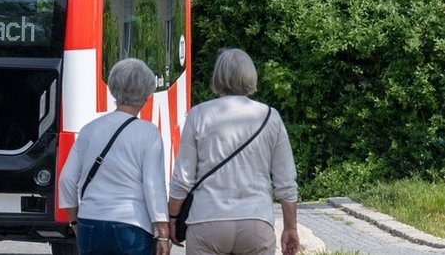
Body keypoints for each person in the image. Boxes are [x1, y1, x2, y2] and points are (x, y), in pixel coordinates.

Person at [168, 48, 300, 255]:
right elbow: (285, 181)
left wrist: (172, 217)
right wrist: (290, 227)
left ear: (218, 76)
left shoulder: (198, 115)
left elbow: (183, 178)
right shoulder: (270, 117)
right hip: (256, 221)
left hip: (207, 221)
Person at [58, 58, 171, 255]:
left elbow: (66, 179)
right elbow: (153, 186)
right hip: (132, 225)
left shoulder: (89, 129)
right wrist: (162, 232)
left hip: (90, 222)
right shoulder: (148, 132)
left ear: (112, 89)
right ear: (147, 94)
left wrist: (74, 221)